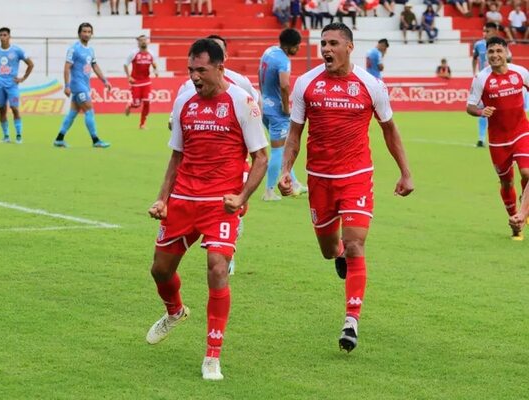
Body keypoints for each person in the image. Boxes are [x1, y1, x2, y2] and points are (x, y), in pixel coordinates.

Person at [278, 22, 414, 353]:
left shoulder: (371, 85)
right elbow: (294, 134)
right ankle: (336, 252)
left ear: (349, 47)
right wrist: (285, 170)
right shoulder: (306, 84)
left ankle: (351, 320)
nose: (326, 49)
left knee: (356, 245)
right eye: (323, 43)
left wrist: (405, 172)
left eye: (333, 43)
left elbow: (390, 130)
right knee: (330, 249)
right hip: (319, 179)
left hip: (356, 176)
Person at [146, 38, 268, 380]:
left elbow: (260, 157)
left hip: (221, 203)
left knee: (217, 267)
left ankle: (212, 355)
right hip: (184, 199)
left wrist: (241, 197)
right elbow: (176, 156)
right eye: (190, 70)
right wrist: (162, 199)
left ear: (219, 67)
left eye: (201, 70)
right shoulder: (185, 101)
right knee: (160, 271)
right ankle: (175, 312)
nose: (195, 77)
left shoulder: (243, 102)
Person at [173, 35, 261, 275]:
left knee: (233, 202)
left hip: (233, 156)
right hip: (197, 160)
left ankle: (227, 248)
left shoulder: (240, 83)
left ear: (223, 58)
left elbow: (255, 107)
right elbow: (176, 120)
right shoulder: (188, 87)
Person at [467, 36, 529, 240]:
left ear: (506, 52)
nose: (495, 55)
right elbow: (470, 106)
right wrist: (480, 111)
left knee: (527, 172)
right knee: (506, 183)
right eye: (491, 52)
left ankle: (523, 209)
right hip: (498, 140)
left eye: (498, 51)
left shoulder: (520, 73)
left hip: (521, 131)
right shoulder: (481, 79)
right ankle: (515, 223)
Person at [259, 28, 307, 201]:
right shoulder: (283, 61)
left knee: (285, 145)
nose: (299, 49)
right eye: (297, 46)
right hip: (277, 111)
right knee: (279, 151)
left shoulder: (269, 52)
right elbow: (285, 85)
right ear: (290, 47)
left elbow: (260, 74)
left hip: (264, 105)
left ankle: (293, 184)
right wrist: (286, 108)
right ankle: (269, 192)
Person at [53, 23, 112, 148]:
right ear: (79, 33)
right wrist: (67, 85)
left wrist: (105, 81)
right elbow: (67, 67)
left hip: (85, 85)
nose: (86, 34)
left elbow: (95, 66)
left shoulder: (90, 50)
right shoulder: (74, 48)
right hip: (77, 85)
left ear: (92, 34)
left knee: (72, 113)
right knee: (89, 111)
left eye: (89, 32)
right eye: (84, 31)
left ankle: (59, 139)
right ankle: (96, 140)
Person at [0, 27, 34, 144]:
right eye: (1, 35)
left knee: (14, 109)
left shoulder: (17, 50)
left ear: (9, 36)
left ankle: (18, 135)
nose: (3, 37)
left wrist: (23, 78)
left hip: (12, 85)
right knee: (2, 109)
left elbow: (30, 64)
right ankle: (6, 136)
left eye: (5, 35)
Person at [124, 35, 158, 130]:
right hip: (135, 82)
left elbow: (154, 64)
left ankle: (142, 124)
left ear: (147, 42)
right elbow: (125, 64)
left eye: (145, 40)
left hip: (146, 81)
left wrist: (155, 71)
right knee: (137, 104)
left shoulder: (151, 54)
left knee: (147, 102)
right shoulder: (134, 53)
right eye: (141, 40)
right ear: (138, 42)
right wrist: (129, 77)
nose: (143, 42)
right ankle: (130, 105)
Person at [473, 22, 497, 147]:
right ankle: (481, 138)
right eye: (483, 31)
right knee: (482, 110)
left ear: (494, 31)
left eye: (487, 31)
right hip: (484, 82)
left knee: (499, 111)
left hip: (497, 82)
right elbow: (474, 58)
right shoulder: (478, 44)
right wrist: (474, 73)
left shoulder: (500, 45)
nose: (484, 34)